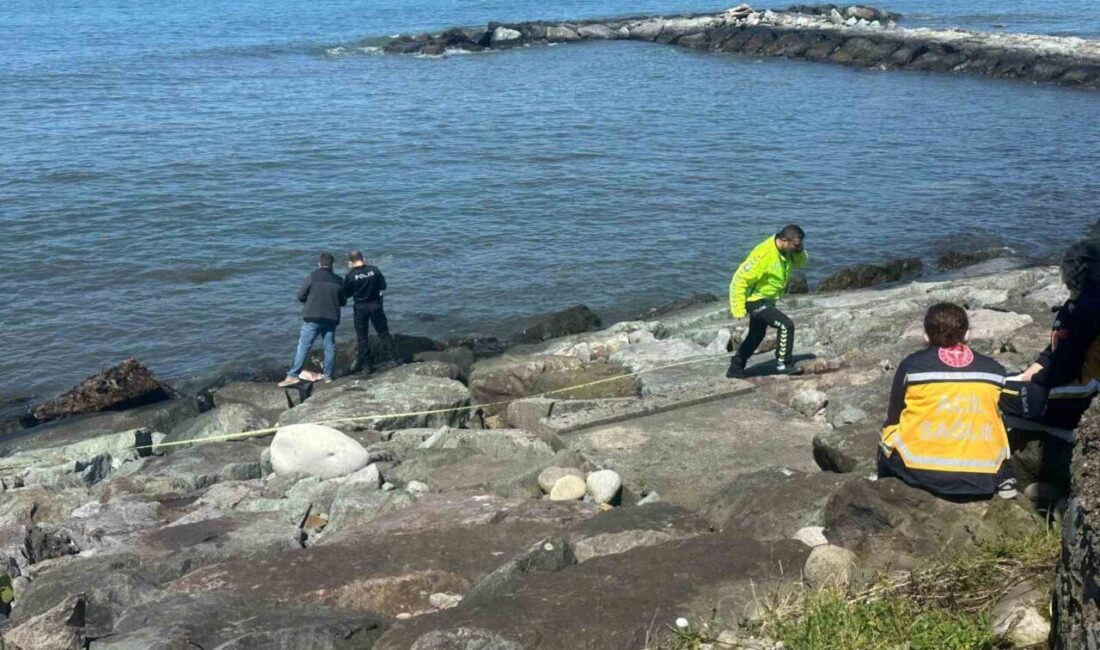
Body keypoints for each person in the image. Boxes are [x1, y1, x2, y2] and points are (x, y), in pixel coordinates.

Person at [878, 303, 1012, 498]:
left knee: (887, 433)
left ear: (926, 336)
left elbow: (894, 416)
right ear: (967, 334)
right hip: (983, 475)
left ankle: (884, 492)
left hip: (921, 473)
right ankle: (1006, 477)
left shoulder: (912, 366)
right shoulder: (994, 369)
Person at [998, 241, 1100, 491]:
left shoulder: (1086, 309)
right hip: (1077, 383)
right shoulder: (1079, 304)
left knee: (994, 393)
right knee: (1010, 381)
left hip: (1082, 394)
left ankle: (1000, 471)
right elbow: (1054, 351)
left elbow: (1063, 368)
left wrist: (1033, 382)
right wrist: (1027, 373)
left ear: (1066, 271)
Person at [726, 224, 808, 378]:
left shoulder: (787, 251)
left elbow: (801, 263)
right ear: (783, 240)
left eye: (800, 245)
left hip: (768, 300)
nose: (798, 248)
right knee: (786, 325)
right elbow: (739, 280)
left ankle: (735, 368)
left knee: (756, 335)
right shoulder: (763, 254)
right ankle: (784, 364)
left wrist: (799, 250)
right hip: (755, 300)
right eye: (796, 245)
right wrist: (737, 308)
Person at [278, 253, 347, 387]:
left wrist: (309, 301)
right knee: (329, 347)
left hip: (312, 316)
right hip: (331, 318)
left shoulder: (312, 276)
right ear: (332, 265)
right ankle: (327, 376)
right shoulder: (339, 280)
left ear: (319, 264)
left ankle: (293, 375)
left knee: (304, 346)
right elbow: (343, 301)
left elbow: (300, 295)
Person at [344, 250, 399, 376]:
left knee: (362, 337)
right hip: (376, 305)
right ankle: (394, 359)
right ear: (363, 258)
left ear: (350, 262)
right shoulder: (374, 270)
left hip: (360, 308)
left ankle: (367, 366)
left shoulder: (350, 276)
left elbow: (346, 294)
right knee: (384, 333)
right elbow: (383, 286)